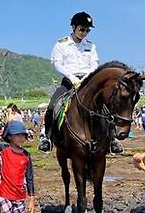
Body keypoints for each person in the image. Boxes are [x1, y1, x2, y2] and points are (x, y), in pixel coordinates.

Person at [40, 12, 115, 152]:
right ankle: (47, 137)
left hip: (88, 81)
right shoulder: (61, 44)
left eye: (87, 30)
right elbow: (57, 64)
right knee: (52, 106)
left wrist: (88, 76)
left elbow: (94, 63)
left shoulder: (91, 46)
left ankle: (112, 139)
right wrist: (71, 76)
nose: (84, 33)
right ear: (73, 27)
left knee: (107, 105)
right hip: (69, 81)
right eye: (82, 29)